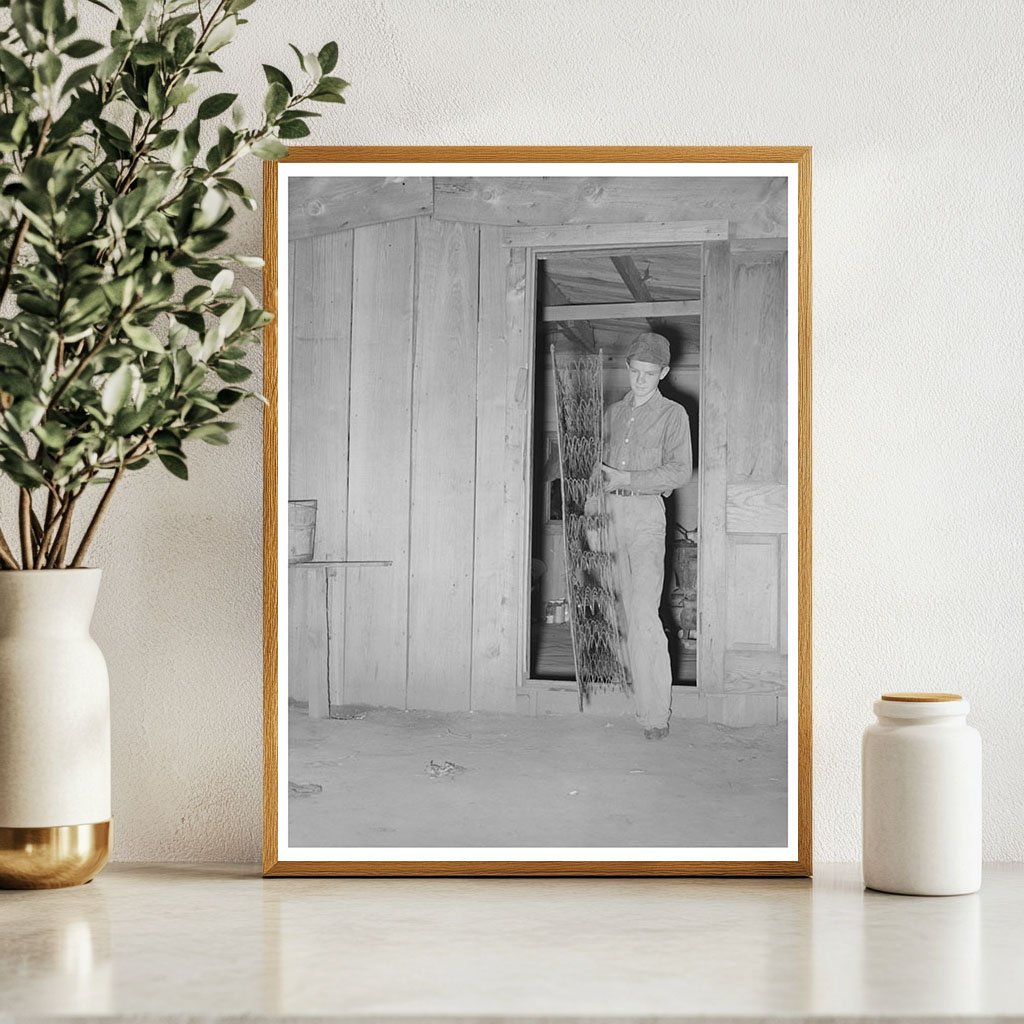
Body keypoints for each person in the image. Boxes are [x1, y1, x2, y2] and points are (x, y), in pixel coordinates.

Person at [599, 332, 692, 740]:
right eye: (635, 372)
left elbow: (679, 471)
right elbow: (594, 469)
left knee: (643, 615)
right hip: (607, 516)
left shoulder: (673, 415)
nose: (640, 381)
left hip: (645, 517)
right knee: (615, 614)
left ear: (664, 373)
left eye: (649, 374)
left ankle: (655, 713)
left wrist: (630, 479)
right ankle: (631, 700)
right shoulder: (612, 414)